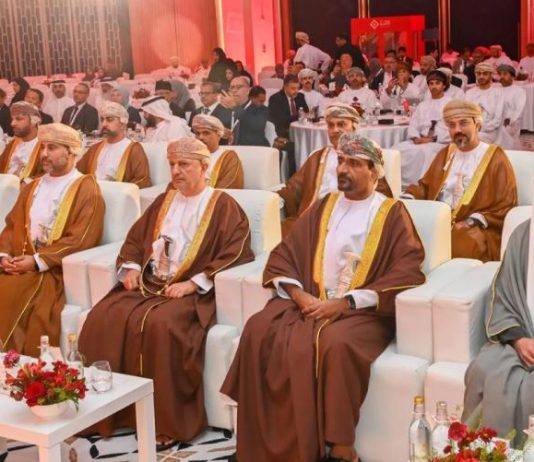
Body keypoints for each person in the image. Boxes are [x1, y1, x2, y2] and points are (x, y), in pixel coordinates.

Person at [222, 131, 426, 462]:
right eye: (341, 161)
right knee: (259, 328)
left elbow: (407, 270)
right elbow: (287, 252)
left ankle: (342, 446)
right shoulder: (324, 205)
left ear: (374, 171)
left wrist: (345, 303)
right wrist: (299, 295)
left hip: (361, 312)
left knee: (335, 343)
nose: (343, 169)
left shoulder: (391, 212)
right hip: (309, 301)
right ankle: (262, 437)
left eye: (354, 163)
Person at [78, 137, 254, 447]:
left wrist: (193, 283)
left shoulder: (223, 205)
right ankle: (108, 413)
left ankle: (166, 421)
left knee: (162, 326)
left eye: (184, 164)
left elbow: (236, 252)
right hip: (150, 283)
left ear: (203, 167)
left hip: (191, 291)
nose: (176, 171)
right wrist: (131, 267)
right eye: (172, 164)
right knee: (103, 316)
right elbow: (135, 239)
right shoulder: (164, 201)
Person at [0, 123, 104, 356]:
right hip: (17, 264)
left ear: (71, 152)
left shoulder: (86, 189)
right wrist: (4, 255)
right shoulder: (32, 186)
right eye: (43, 147)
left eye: (52, 148)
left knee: (11, 295)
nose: (44, 154)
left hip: (50, 272)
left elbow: (81, 239)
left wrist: (36, 261)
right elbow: (12, 225)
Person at [404, 99, 517, 262]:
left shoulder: (495, 156)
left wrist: (474, 220)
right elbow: (426, 186)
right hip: (439, 219)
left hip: (475, 227)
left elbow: (506, 203)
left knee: (464, 237)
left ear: (477, 125)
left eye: (463, 123)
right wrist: (410, 195)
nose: (457, 130)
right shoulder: (447, 152)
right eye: (452, 125)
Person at [463, 204, 534, 447]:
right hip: (522, 334)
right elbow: (504, 296)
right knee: (485, 368)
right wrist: (519, 340)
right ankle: (484, 453)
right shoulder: (523, 236)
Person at [278, 103, 392, 236]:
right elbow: (293, 189)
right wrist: (272, 198)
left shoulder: (365, 157)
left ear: (354, 127)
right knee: (276, 233)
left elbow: (382, 198)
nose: (335, 130)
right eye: (331, 125)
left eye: (341, 124)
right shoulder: (318, 157)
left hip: (350, 223)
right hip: (312, 221)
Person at [392, 70, 452, 187]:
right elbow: (413, 125)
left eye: (437, 83)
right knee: (397, 149)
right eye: (431, 83)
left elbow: (452, 128)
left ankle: (420, 186)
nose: (434, 86)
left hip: (440, 142)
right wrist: (415, 138)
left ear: (444, 85)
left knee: (424, 152)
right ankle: (398, 184)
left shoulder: (451, 104)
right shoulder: (423, 105)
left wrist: (432, 139)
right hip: (420, 140)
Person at [77, 102, 151, 188]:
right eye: (102, 120)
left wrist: (117, 190)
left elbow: (142, 180)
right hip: (91, 192)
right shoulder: (95, 148)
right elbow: (77, 173)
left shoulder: (133, 149)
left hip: (115, 194)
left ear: (123, 123)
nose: (104, 124)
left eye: (110, 119)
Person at [269, 74, 309, 175]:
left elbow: (306, 112)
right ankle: (293, 176)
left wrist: (303, 115)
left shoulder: (300, 96)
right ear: (285, 87)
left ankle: (308, 173)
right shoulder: (275, 99)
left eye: (297, 88)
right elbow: (282, 120)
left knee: (308, 143)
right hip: (282, 133)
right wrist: (299, 116)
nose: (296, 91)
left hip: (300, 132)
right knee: (295, 147)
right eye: (293, 88)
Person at [191, 114, 243, 188]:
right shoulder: (190, 157)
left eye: (206, 133)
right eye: (197, 133)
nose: (200, 137)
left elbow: (227, 188)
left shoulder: (229, 157)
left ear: (219, 135)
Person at [465, 62, 505, 144]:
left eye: (485, 74)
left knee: (473, 139)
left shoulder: (498, 93)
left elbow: (497, 120)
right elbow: (465, 115)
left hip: (490, 131)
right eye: (479, 73)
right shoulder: (469, 93)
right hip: (470, 129)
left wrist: (481, 127)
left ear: (491, 75)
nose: (481, 76)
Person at [0, 102, 42, 180]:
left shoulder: (44, 147)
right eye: (12, 119)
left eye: (18, 119)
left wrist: (27, 182)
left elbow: (45, 175)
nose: (12, 123)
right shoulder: (12, 144)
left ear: (34, 121)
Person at [496, 64, 526, 150]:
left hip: (511, 123)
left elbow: (519, 111)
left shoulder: (519, 91)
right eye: (500, 74)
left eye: (505, 74)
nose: (502, 77)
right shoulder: (495, 90)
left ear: (512, 77)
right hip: (496, 122)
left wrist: (509, 120)